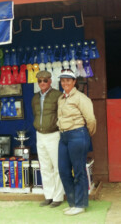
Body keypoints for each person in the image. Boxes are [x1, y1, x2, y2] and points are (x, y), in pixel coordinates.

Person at [57, 69, 96, 216]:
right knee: (64, 170)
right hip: (64, 137)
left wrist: (85, 135)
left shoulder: (81, 98)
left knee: (79, 171)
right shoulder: (61, 98)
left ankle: (80, 204)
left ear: (74, 82)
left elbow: (91, 120)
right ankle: (73, 203)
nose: (65, 82)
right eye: (63, 80)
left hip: (77, 134)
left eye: (68, 80)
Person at [31, 70, 64, 208]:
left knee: (57, 167)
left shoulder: (58, 95)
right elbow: (35, 114)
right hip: (40, 135)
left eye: (45, 80)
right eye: (40, 81)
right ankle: (48, 196)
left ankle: (58, 197)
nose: (42, 83)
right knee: (44, 167)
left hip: (53, 134)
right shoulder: (35, 98)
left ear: (50, 81)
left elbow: (62, 114)